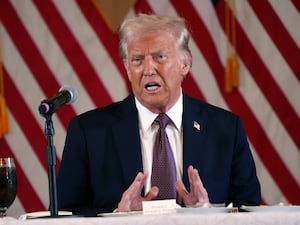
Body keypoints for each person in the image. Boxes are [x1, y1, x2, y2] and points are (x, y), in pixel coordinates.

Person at [57, 13, 261, 216]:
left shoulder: (225, 129)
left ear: (185, 64)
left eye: (159, 57)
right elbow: (63, 215)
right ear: (127, 69)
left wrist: (209, 214)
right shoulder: (89, 132)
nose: (148, 70)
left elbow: (250, 210)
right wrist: (118, 216)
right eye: (137, 60)